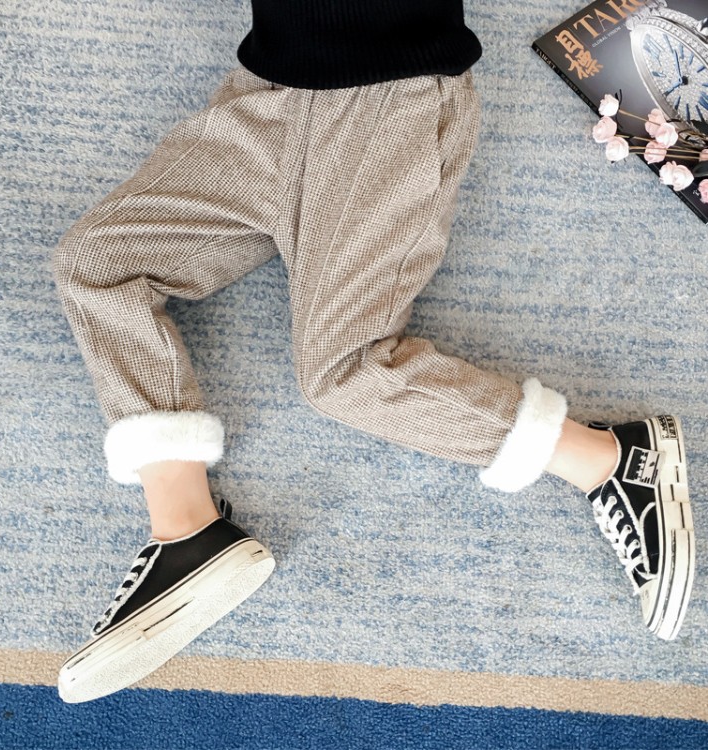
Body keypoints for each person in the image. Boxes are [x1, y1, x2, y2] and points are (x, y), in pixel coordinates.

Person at [52, 0, 695, 704]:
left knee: (343, 371)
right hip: (270, 90)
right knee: (98, 265)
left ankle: (611, 459)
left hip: (389, 106)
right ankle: (186, 528)